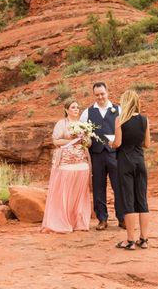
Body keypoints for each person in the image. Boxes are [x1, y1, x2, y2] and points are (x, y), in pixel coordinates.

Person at [41, 100, 92, 233]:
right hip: (65, 163)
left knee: (80, 192)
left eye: (77, 107)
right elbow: (56, 141)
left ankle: (79, 222)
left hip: (82, 163)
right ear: (66, 110)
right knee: (64, 192)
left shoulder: (83, 124)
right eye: (73, 107)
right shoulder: (61, 123)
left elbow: (89, 143)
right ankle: (62, 221)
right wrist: (72, 140)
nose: (76, 109)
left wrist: (84, 139)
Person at [80, 81, 125, 230]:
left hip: (115, 154)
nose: (100, 97)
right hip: (97, 155)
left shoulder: (118, 109)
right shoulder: (88, 112)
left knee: (118, 186)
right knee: (99, 187)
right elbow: (82, 133)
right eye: (97, 95)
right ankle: (102, 219)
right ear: (94, 95)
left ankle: (122, 218)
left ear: (108, 92)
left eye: (102, 94)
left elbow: (125, 130)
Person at [110, 90, 150, 250]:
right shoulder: (145, 120)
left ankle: (130, 240)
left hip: (125, 163)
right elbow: (147, 144)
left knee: (128, 200)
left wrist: (110, 144)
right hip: (140, 162)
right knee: (142, 200)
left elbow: (118, 143)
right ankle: (144, 239)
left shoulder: (120, 120)